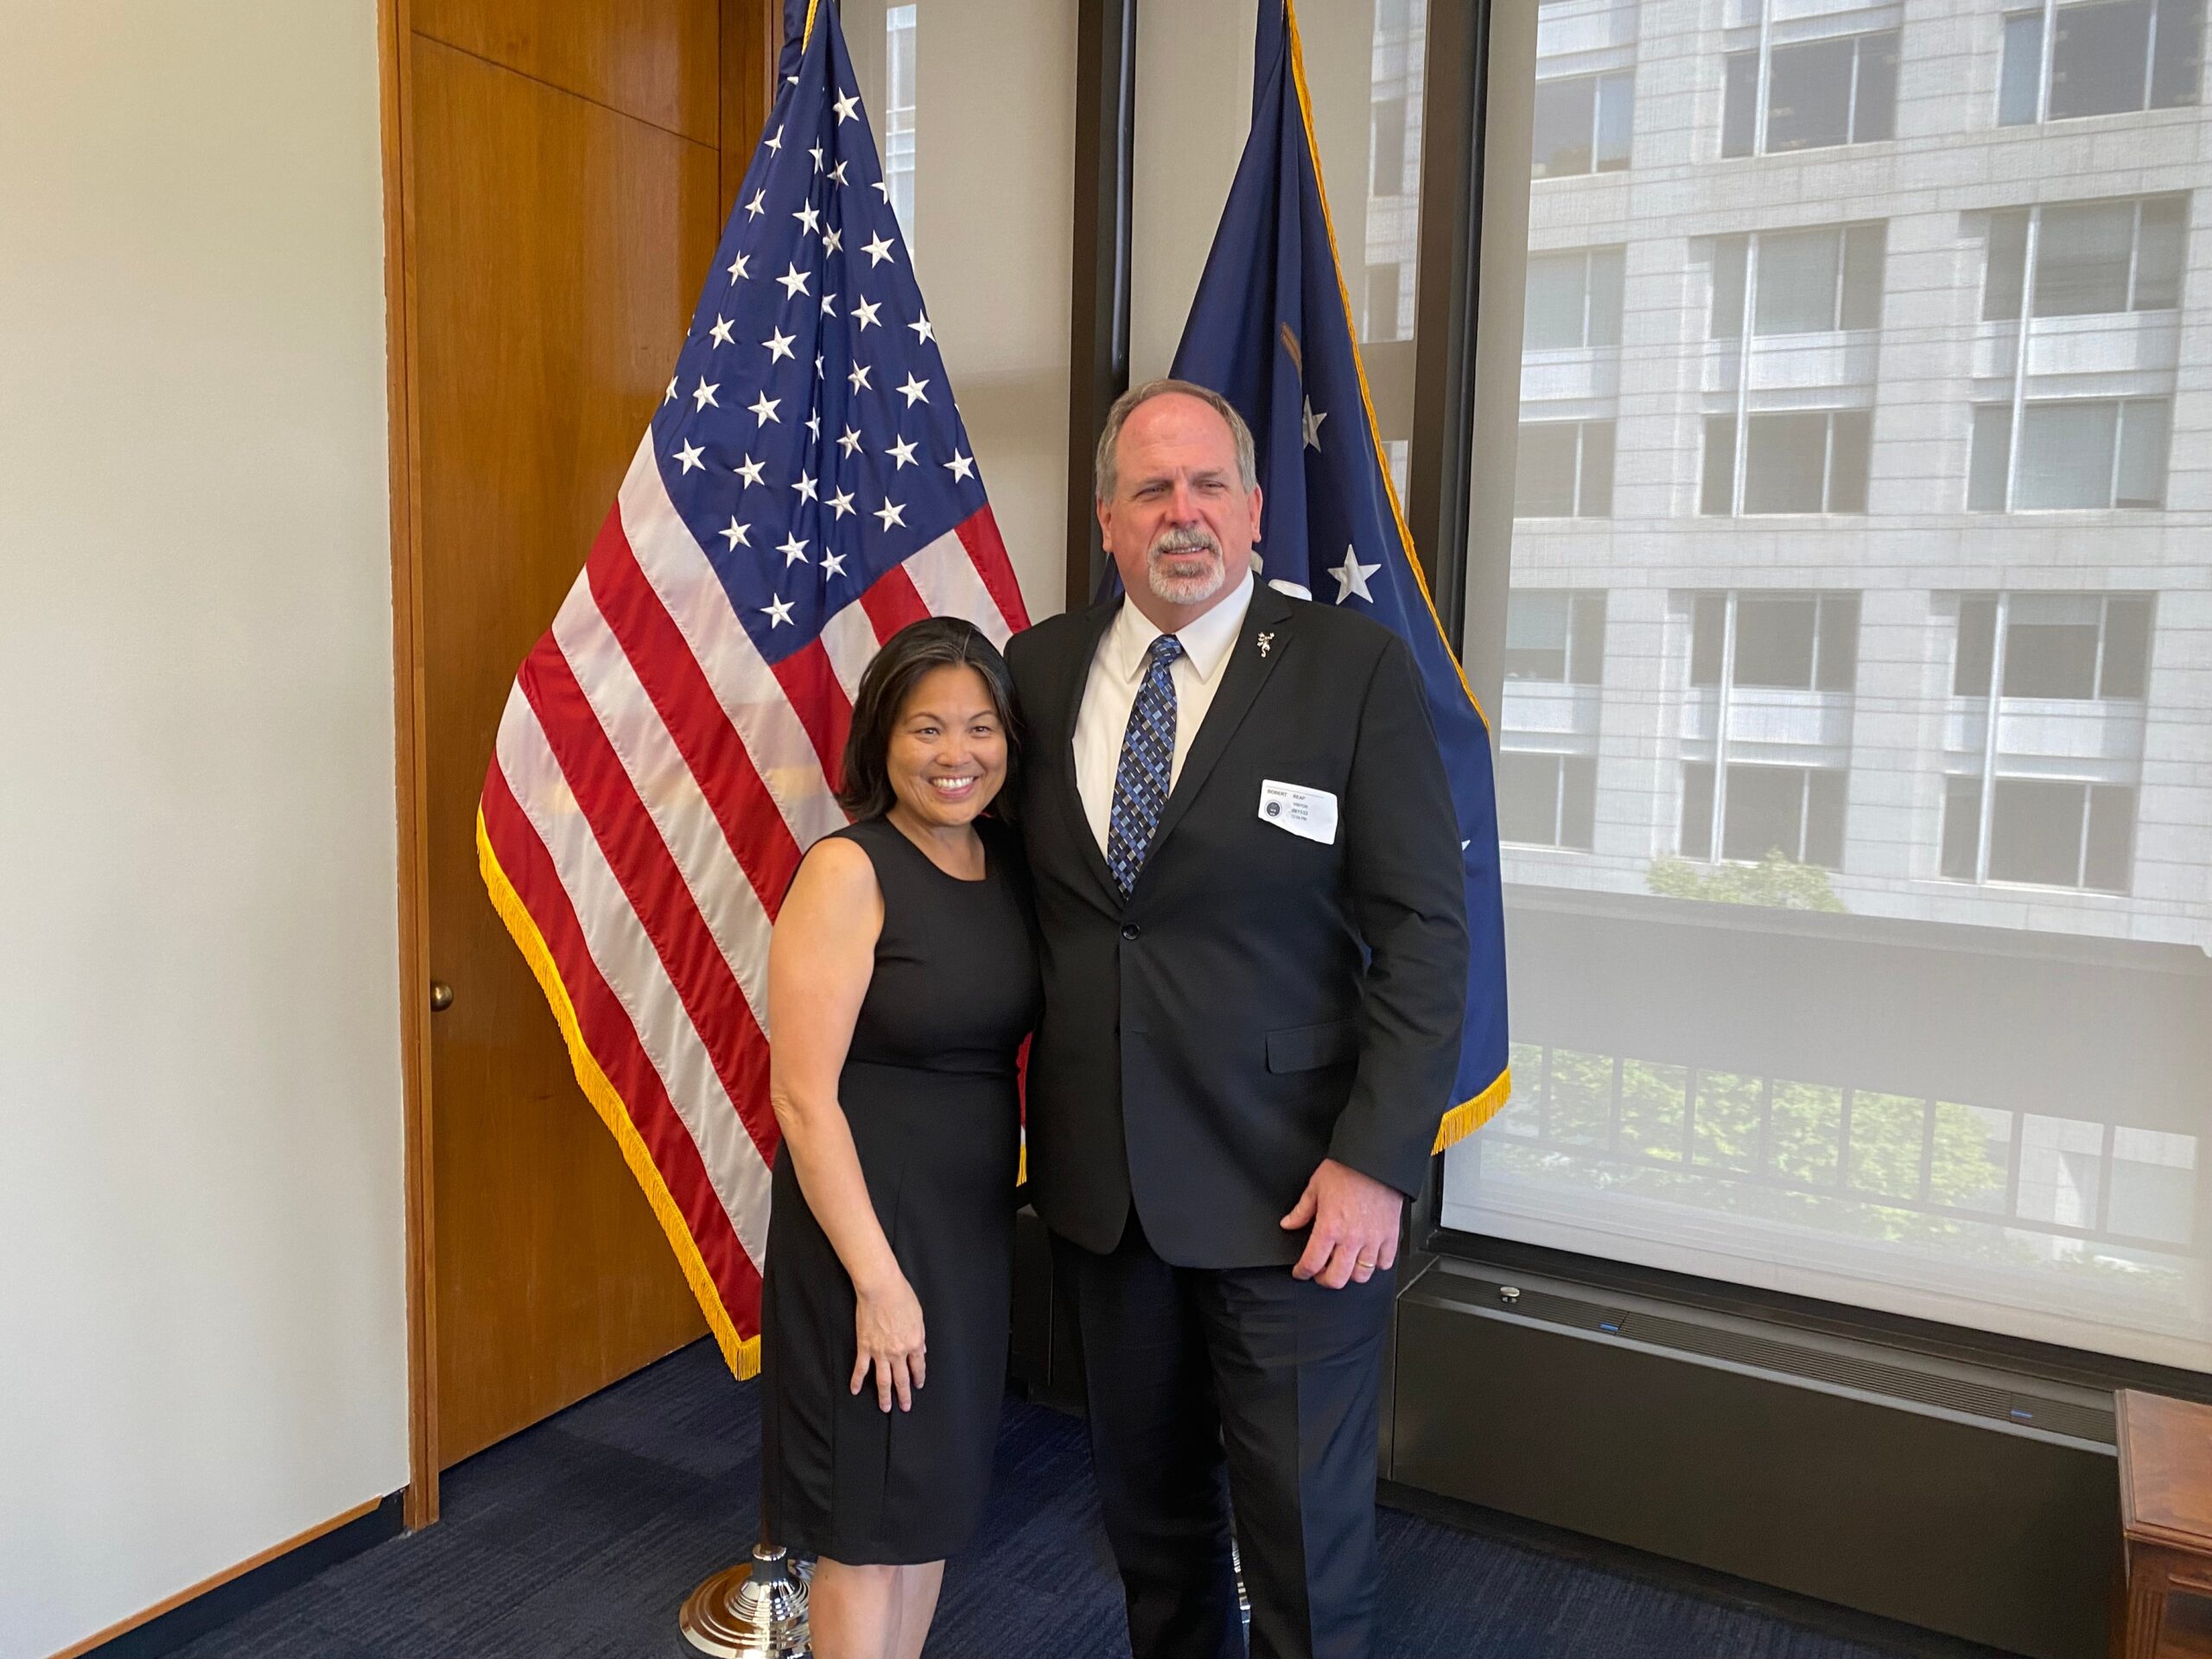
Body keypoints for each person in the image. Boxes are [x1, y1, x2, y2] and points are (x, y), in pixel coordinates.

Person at [1002, 379, 1469, 1659]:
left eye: (1210, 485)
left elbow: (1427, 933)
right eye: (1152, 490)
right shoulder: (1038, 672)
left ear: (1257, 510)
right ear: (1108, 520)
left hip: (1298, 1204)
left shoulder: (1348, 668)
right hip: (1109, 1205)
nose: (1183, 514)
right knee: (1153, 1549)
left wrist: (1380, 1162)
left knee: (1309, 1567)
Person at [760, 617, 1040, 1659]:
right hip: (865, 1233)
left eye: (979, 727)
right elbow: (802, 1099)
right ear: (881, 738)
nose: (955, 754)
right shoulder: (849, 869)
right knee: (866, 1526)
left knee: (927, 1505)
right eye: (926, 728)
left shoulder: (1003, 865)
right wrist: (877, 1283)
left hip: (964, 1230)